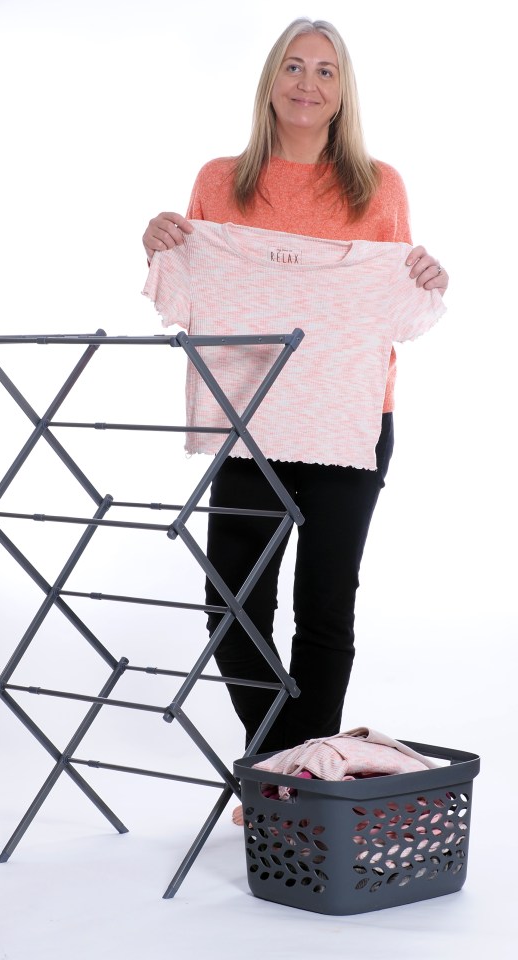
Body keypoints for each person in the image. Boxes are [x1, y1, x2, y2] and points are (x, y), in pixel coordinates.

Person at [142, 18, 448, 818]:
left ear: (344, 92)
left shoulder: (378, 186)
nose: (307, 83)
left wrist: (423, 276)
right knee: (233, 605)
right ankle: (287, 765)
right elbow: (186, 279)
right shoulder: (221, 181)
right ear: (271, 80)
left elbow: (401, 295)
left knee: (324, 605)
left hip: (351, 422)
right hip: (249, 424)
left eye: (325, 71)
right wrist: (162, 242)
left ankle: (290, 787)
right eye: (293, 67)